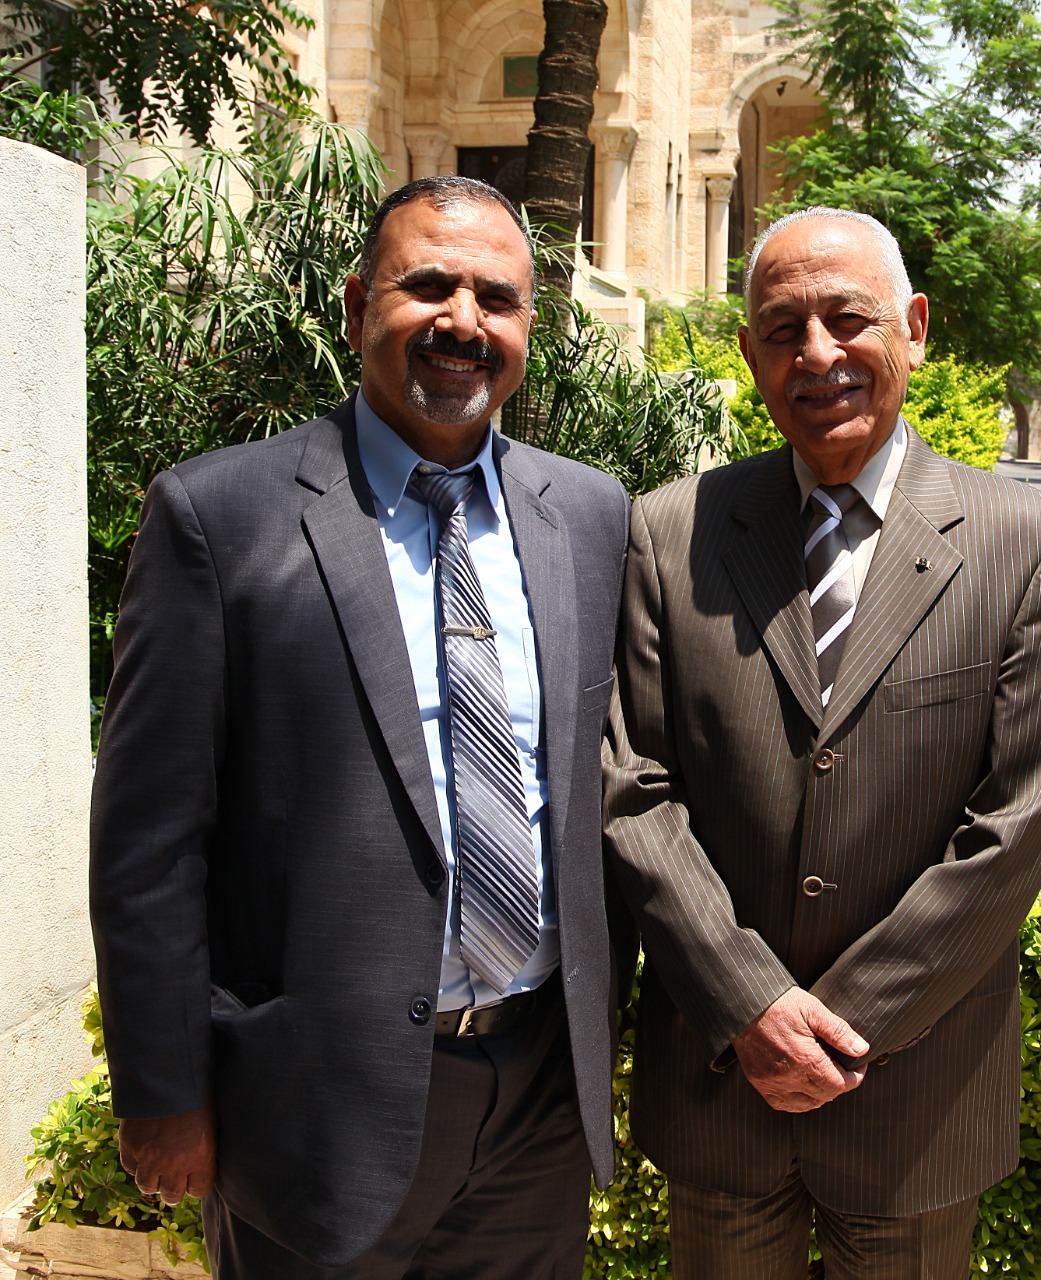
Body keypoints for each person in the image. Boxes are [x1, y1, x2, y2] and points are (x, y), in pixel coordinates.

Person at [89, 176, 630, 1279]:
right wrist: (162, 1087)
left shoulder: (588, 514)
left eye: (497, 298)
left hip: (535, 1101)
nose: (462, 322)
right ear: (355, 307)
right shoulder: (219, 516)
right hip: (316, 1106)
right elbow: (148, 839)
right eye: (427, 285)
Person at [603, 207, 1041, 1279]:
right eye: (783, 329)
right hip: (723, 1086)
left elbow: (1013, 826)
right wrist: (749, 1006)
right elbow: (634, 789)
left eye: (848, 318)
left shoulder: (1026, 544)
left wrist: (842, 1024)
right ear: (749, 353)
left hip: (916, 1098)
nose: (816, 354)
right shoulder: (670, 533)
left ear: (912, 326)